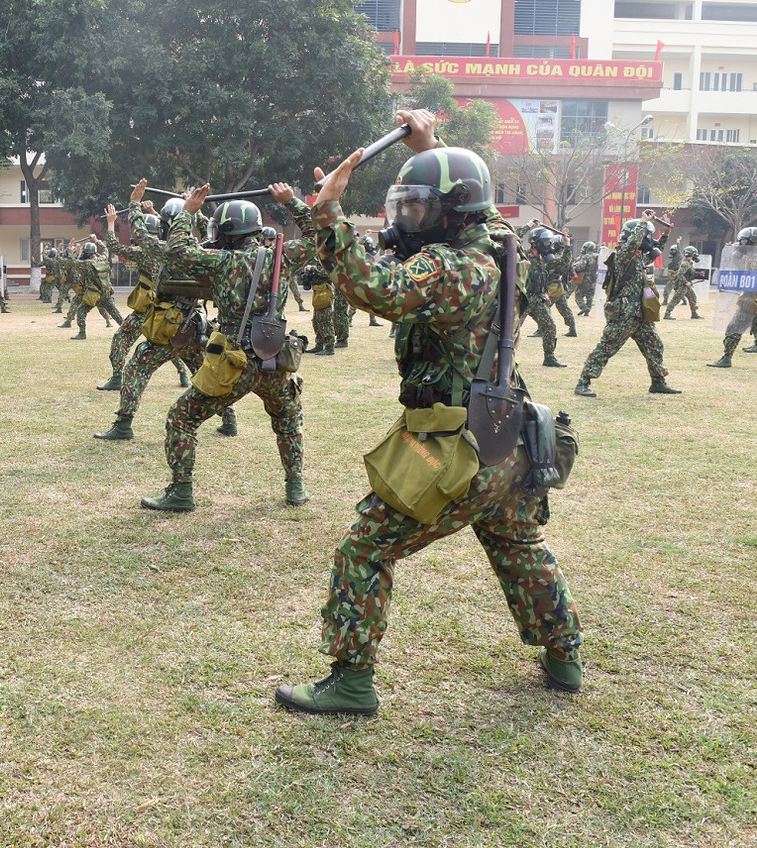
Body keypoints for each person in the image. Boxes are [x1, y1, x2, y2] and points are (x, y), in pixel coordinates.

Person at [275, 110, 583, 717]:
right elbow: (479, 204)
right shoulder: (497, 245)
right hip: (509, 441)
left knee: (364, 550)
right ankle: (563, 653)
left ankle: (351, 680)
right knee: (519, 544)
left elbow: (375, 288)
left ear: (452, 212)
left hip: (457, 448)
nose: (407, 219)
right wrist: (433, 148)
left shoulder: (450, 268)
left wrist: (328, 209)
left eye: (419, 208)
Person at [140, 188, 312, 512]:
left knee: (181, 418)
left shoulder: (222, 261)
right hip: (276, 359)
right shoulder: (282, 257)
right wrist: (290, 201)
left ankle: (181, 492)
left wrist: (188, 211)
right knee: (288, 419)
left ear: (227, 234)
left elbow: (176, 251)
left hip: (237, 362)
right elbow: (318, 233)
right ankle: (295, 486)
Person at [575, 212, 681, 398]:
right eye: (645, 236)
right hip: (624, 314)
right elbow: (632, 244)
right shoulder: (622, 257)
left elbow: (652, 252)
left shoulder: (637, 259)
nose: (647, 240)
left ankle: (658, 382)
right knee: (606, 347)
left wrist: (664, 234)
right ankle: (583, 382)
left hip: (640, 314)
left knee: (655, 345)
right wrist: (642, 223)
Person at [96, 203, 189, 392]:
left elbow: (114, 246)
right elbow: (170, 230)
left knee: (121, 339)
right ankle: (184, 374)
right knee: (167, 343)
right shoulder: (170, 248)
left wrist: (111, 223)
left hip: (146, 309)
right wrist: (154, 213)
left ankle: (116, 378)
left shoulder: (143, 252)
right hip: (167, 309)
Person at [708, 227, 757, 368]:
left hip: (752, 298)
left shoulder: (755, 257)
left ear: (753, 242)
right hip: (752, 296)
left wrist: (736, 256)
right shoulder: (753, 255)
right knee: (756, 323)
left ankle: (726, 357)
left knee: (734, 327)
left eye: (742, 241)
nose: (740, 243)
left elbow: (748, 275)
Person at [523, 226, 568, 367]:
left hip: (539, 299)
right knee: (511, 330)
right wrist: (528, 226)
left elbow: (564, 262)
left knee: (550, 327)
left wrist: (567, 244)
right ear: (535, 243)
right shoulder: (522, 256)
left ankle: (549, 357)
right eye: (546, 242)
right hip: (523, 300)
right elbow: (511, 240)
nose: (548, 245)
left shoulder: (544, 261)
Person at [663, 245, 705, 320]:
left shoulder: (689, 263)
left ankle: (694, 314)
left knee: (693, 297)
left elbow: (690, 273)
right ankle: (667, 314)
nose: (695, 256)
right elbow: (679, 274)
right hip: (682, 285)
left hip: (686, 286)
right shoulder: (685, 263)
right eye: (694, 254)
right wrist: (686, 282)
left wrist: (699, 274)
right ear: (690, 254)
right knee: (676, 299)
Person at [572, 241, 599, 316]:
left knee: (578, 295)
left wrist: (574, 267)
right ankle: (587, 311)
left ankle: (583, 307)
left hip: (585, 278)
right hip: (594, 278)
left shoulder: (586, 257)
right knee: (590, 295)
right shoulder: (598, 256)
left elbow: (581, 267)